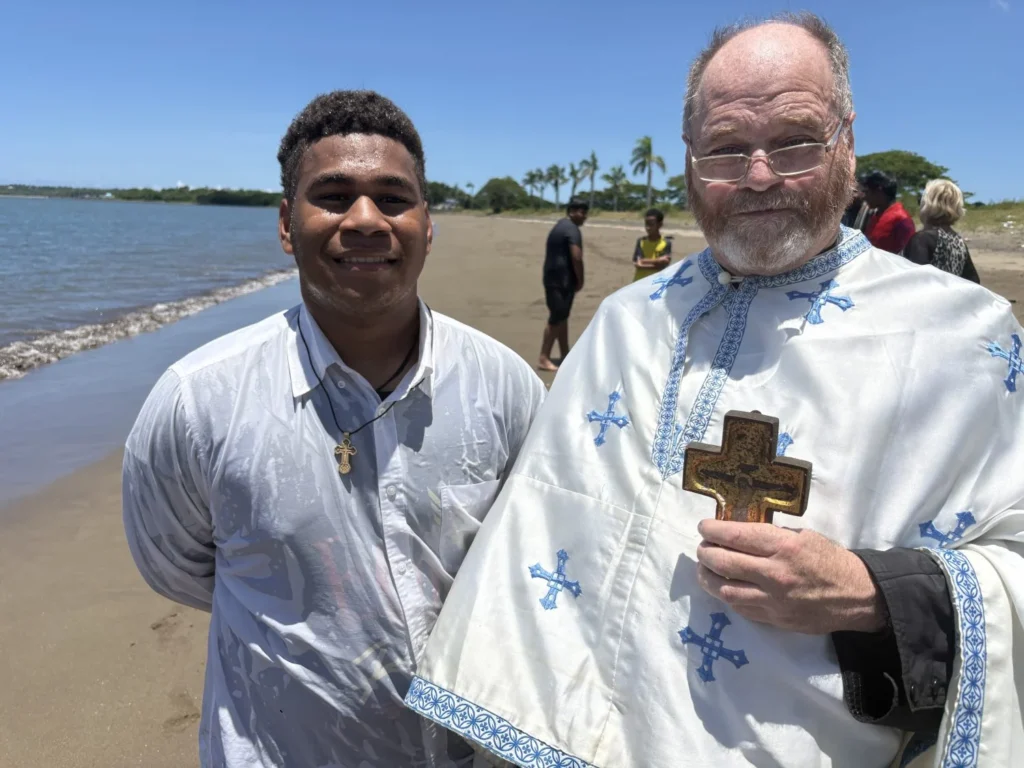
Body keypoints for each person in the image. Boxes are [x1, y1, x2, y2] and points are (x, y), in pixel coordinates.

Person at [404, 13, 1024, 768]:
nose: (759, 174)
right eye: (727, 149)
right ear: (691, 161)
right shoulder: (628, 318)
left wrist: (874, 591)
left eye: (794, 140)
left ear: (848, 142)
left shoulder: (967, 338)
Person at [121, 90, 546, 768]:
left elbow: (533, 554)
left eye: (394, 198)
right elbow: (178, 568)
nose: (367, 220)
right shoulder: (197, 401)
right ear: (287, 224)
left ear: (428, 224)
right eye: (335, 195)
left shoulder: (505, 386)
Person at [538, 200, 588, 371]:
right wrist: (580, 279)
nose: (585, 216)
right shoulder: (572, 229)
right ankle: (544, 358)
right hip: (561, 281)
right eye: (582, 212)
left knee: (562, 317)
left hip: (553, 278)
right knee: (556, 318)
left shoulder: (561, 225)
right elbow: (577, 257)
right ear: (572, 211)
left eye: (586, 212)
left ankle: (565, 353)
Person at [903, 178, 980, 283]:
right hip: (951, 298)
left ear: (927, 204)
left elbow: (915, 280)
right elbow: (974, 281)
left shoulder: (922, 239)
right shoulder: (958, 241)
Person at [862, 169, 917, 253]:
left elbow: (907, 256)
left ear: (878, 191)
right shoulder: (875, 215)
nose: (864, 197)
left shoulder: (901, 219)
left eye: (867, 192)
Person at [631, 208, 674, 282]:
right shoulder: (641, 241)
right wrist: (657, 260)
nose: (648, 227)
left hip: (656, 282)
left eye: (651, 224)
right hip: (639, 281)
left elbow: (663, 266)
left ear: (660, 225)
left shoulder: (666, 243)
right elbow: (637, 262)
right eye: (646, 224)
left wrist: (643, 263)